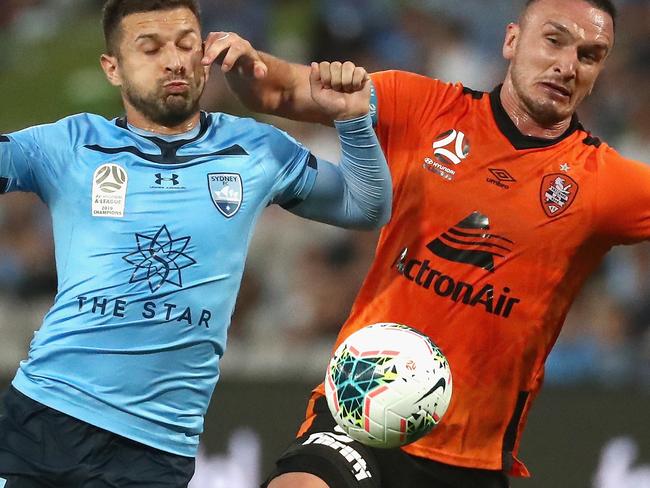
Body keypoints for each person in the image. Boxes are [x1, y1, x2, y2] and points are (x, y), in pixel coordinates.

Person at [201, 0, 650, 486]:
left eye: (590, 55)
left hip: (472, 454)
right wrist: (246, 64)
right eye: (554, 40)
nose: (567, 65)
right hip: (361, 411)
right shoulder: (422, 106)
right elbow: (278, 89)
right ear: (512, 40)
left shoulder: (604, 183)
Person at [0, 0, 392, 486]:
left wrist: (352, 122)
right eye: (150, 48)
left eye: (187, 44)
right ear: (113, 68)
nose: (174, 60)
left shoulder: (254, 149)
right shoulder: (72, 144)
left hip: (161, 443)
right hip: (47, 416)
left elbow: (364, 206)